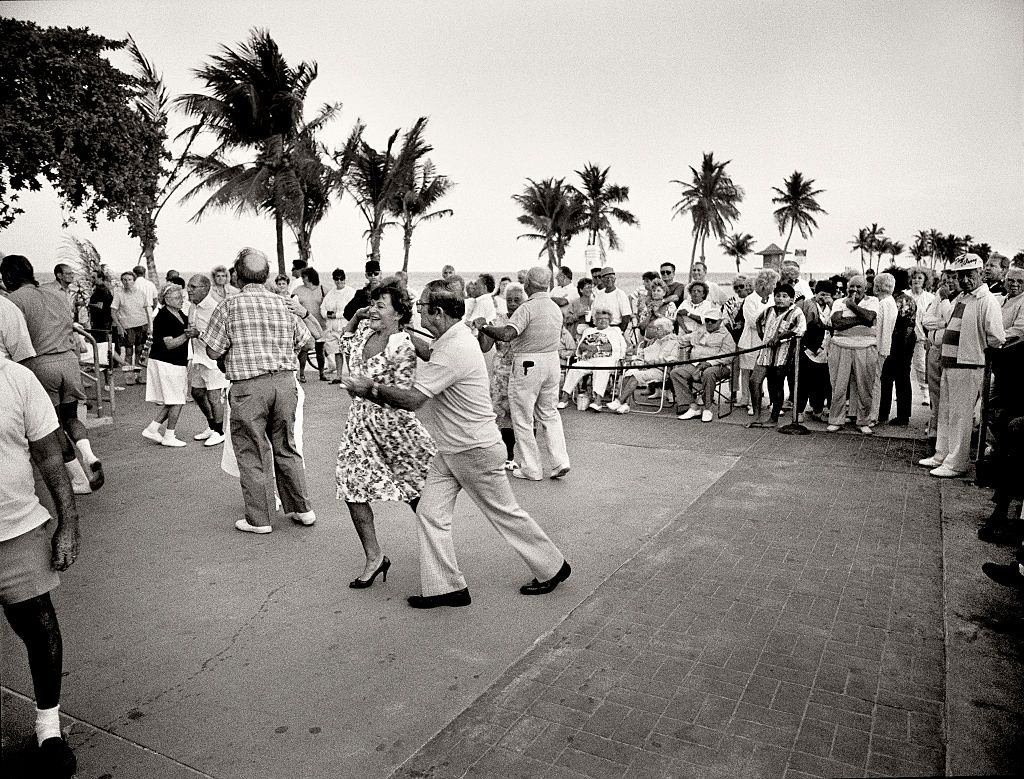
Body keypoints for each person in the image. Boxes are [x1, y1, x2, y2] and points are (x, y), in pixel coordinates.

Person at [343, 280, 572, 609]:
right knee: (430, 512)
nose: (418, 310)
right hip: (452, 451)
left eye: (422, 307)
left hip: (474, 450)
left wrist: (371, 389)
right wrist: (406, 330)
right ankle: (447, 588)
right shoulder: (453, 336)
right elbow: (428, 349)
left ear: (437, 313)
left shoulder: (453, 350)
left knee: (505, 513)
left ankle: (552, 566)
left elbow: (412, 400)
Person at [0, 354, 80, 777]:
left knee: (40, 627)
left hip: (17, 530)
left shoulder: (17, 379)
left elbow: (50, 455)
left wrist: (68, 523)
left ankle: (48, 726)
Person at [202, 248, 316, 533]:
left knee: (252, 450)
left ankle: (260, 518)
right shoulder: (282, 304)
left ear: (237, 276)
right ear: (266, 276)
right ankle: (302, 509)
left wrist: (229, 354)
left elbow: (213, 349)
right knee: (286, 447)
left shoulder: (228, 306)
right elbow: (308, 342)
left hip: (248, 386)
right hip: (285, 383)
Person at [336, 280, 436, 588]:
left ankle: (438, 551)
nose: (373, 310)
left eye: (381, 306)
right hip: (360, 425)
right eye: (373, 303)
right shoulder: (367, 332)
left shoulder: (403, 344)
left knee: (418, 494)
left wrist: (369, 389)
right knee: (351, 486)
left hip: (394, 428)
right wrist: (356, 318)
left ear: (398, 313)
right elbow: (346, 343)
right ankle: (374, 557)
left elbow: (403, 393)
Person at [2, 255, 104, 495]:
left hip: (41, 363)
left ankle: (79, 479)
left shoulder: (13, 300)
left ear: (7, 277)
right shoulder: (58, 294)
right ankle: (88, 453)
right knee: (70, 415)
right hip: (69, 362)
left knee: (53, 425)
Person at [475, 266, 571, 482]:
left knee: (522, 417)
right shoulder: (554, 307)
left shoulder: (527, 308)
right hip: (552, 362)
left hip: (529, 362)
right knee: (550, 413)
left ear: (528, 285)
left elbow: (508, 334)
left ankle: (531, 468)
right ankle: (560, 461)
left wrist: (484, 327)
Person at [919, 253, 1005, 478]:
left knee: (960, 415)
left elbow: (996, 337)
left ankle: (957, 463)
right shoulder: (962, 298)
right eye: (961, 276)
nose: (965, 280)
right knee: (947, 412)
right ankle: (942, 455)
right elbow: (946, 323)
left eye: (969, 275)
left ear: (979, 273)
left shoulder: (987, 301)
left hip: (969, 365)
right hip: (950, 362)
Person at [141, 285, 196, 447]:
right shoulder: (162, 317)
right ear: (167, 300)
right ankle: (169, 435)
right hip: (166, 361)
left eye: (182, 297)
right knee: (177, 400)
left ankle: (152, 428)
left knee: (174, 399)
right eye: (178, 298)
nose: (182, 300)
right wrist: (187, 335)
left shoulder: (179, 314)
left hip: (174, 361)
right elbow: (170, 344)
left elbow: (190, 321)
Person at [479, 283, 526, 468]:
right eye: (509, 300)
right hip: (500, 374)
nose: (513, 304)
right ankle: (505, 455)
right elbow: (485, 346)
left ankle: (521, 457)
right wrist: (482, 329)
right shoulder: (498, 320)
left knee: (519, 414)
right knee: (498, 414)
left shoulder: (525, 319)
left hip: (521, 372)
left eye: (517, 300)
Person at [826, 275, 879, 434]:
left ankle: (863, 421)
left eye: (859, 287)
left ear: (866, 288)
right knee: (838, 386)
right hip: (840, 346)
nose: (854, 290)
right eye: (852, 286)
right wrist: (861, 319)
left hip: (866, 347)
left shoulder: (873, 301)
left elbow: (870, 317)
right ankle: (836, 420)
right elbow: (837, 323)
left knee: (865, 386)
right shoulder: (838, 302)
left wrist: (852, 306)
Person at [749, 285, 806, 427]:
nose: (780, 299)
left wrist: (779, 337)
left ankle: (773, 419)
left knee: (775, 386)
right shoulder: (769, 310)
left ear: (792, 299)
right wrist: (764, 337)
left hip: (782, 355)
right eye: (778, 295)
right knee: (754, 381)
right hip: (764, 353)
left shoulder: (796, 312)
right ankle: (756, 415)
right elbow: (758, 321)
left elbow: (800, 329)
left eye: (784, 296)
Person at [185, 274, 228, 446]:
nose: (189, 290)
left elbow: (223, 335)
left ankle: (219, 431)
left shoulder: (214, 307)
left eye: (193, 287)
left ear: (206, 288)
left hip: (213, 359)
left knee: (214, 396)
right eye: (189, 286)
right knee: (197, 393)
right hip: (198, 357)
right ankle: (212, 426)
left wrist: (199, 334)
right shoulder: (192, 307)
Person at [671, 308, 736, 422]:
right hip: (696, 364)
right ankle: (692, 406)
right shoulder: (701, 331)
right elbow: (683, 340)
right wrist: (670, 337)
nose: (709, 323)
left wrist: (709, 363)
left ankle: (707, 408)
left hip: (719, 366)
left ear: (720, 322)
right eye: (707, 320)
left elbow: (728, 355)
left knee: (708, 373)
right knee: (676, 373)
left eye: (713, 321)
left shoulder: (726, 335)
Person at [556, 308, 627, 411]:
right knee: (575, 367)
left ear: (610, 320)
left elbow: (616, 347)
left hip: (606, 360)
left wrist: (596, 348)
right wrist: (588, 348)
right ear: (595, 320)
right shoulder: (589, 331)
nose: (603, 321)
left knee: (601, 368)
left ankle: (597, 401)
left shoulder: (614, 331)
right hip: (588, 360)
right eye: (600, 319)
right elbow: (581, 346)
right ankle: (565, 398)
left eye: (606, 319)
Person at [606, 317, 681, 414]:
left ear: (665, 330)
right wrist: (635, 359)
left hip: (661, 371)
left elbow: (672, 359)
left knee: (635, 376)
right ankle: (625, 404)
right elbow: (643, 355)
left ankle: (619, 401)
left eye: (658, 329)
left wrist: (650, 362)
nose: (655, 331)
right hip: (647, 369)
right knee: (628, 373)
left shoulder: (674, 342)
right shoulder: (656, 342)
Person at [877, 268, 917, 427]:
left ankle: (885, 413)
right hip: (905, 341)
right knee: (901, 379)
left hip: (897, 342)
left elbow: (901, 326)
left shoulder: (894, 300)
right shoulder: (907, 299)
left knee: (889, 378)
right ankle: (901, 415)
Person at [920, 270, 957, 439]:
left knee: (948, 394)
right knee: (935, 392)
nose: (948, 282)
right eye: (945, 280)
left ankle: (945, 433)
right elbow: (926, 320)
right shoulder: (939, 296)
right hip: (934, 348)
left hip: (950, 350)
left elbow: (953, 320)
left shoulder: (959, 298)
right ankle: (934, 429)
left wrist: (944, 300)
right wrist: (942, 323)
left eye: (952, 279)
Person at [738, 269, 779, 413]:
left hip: (768, 343)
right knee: (752, 374)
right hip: (751, 343)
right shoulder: (750, 299)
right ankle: (752, 403)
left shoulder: (773, 298)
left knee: (769, 374)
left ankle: (773, 403)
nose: (775, 287)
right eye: (773, 284)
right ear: (764, 284)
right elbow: (752, 321)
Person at [795, 280, 834, 421]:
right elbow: (805, 326)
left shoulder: (832, 306)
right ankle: (799, 411)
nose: (823, 298)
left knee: (821, 382)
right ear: (816, 293)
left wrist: (831, 304)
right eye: (821, 294)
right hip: (809, 348)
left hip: (826, 350)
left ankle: (818, 409)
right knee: (804, 381)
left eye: (827, 295)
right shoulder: (808, 304)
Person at [867, 272, 898, 426]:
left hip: (878, 347)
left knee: (874, 382)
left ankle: (872, 415)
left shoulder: (884, 304)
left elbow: (879, 328)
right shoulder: (890, 302)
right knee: (875, 381)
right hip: (883, 346)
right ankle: (872, 414)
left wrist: (876, 347)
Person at [111, 270, 152, 372]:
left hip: (142, 325)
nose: (127, 282)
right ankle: (129, 375)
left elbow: (147, 310)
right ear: (122, 281)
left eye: (129, 280)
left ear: (134, 281)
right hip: (128, 327)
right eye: (124, 280)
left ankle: (138, 374)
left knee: (140, 351)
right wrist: (120, 327)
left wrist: (150, 326)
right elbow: (113, 313)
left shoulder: (141, 293)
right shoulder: (119, 294)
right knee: (129, 352)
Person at [321, 268, 356, 383]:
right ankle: (339, 376)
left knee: (347, 352)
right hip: (333, 327)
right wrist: (327, 314)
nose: (339, 281)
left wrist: (336, 315)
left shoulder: (351, 292)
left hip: (346, 326)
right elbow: (323, 308)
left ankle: (351, 376)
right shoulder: (331, 293)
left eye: (341, 278)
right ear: (334, 280)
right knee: (337, 351)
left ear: (345, 279)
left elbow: (352, 311)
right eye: (336, 279)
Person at [293, 266, 327, 382]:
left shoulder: (323, 289)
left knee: (320, 350)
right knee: (304, 350)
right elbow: (292, 303)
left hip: (320, 325)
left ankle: (322, 373)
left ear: (311, 277)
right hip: (305, 325)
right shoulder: (298, 290)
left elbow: (329, 304)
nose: (303, 279)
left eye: (304, 277)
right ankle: (301, 373)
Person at [907, 268, 935, 404]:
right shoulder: (905, 295)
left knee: (921, 365)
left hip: (921, 338)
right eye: (914, 278)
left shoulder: (930, 298)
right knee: (902, 366)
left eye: (920, 278)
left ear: (925, 281)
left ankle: (925, 393)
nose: (916, 280)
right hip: (904, 337)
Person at [591, 267, 632, 332]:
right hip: (599, 329)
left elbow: (626, 317)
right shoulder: (599, 295)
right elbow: (593, 313)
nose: (609, 280)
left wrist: (621, 332)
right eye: (606, 278)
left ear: (615, 279)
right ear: (602, 279)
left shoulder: (620, 294)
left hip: (615, 328)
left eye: (611, 277)